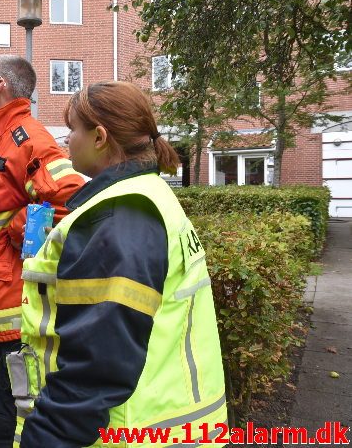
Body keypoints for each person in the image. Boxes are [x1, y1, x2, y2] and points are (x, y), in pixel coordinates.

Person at [12, 81, 227, 447]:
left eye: (72, 129)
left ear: (99, 137)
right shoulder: (148, 194)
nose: (66, 140)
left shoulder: (115, 218)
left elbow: (97, 367)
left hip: (127, 432)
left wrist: (45, 438)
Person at [0, 55, 85, 447]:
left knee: (0, 415)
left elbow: (69, 200)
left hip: (6, 310)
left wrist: (17, 228)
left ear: (0, 85)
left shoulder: (29, 139)